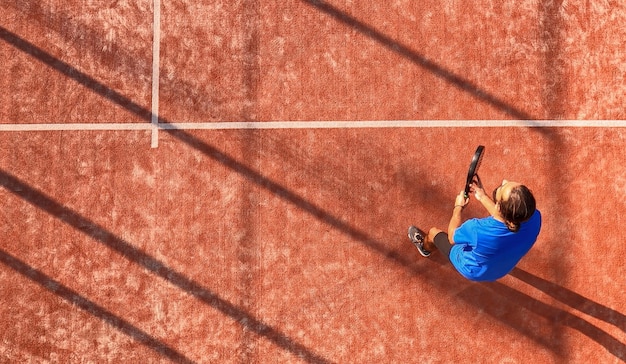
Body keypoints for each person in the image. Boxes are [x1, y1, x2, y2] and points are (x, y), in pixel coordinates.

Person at [408, 178, 541, 281]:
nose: (505, 180)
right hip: (504, 266)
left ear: (499, 207)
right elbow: (505, 218)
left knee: (433, 233)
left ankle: (424, 248)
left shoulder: (476, 230)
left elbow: (452, 237)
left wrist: (458, 208)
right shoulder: (535, 217)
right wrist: (482, 197)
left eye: (503, 187)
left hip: (473, 269)